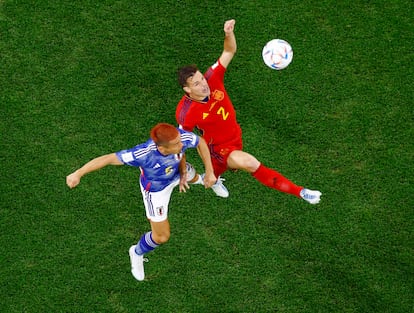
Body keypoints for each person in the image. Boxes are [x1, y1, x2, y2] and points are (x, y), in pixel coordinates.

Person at [175, 19, 321, 204]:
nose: (204, 84)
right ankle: (301, 192)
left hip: (235, 135)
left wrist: (229, 33)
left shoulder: (212, 78)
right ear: (187, 90)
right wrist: (183, 169)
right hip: (219, 149)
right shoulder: (186, 112)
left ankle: (212, 179)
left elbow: (229, 51)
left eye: (202, 78)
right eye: (197, 84)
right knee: (250, 163)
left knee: (214, 175)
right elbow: (180, 142)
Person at [66, 123, 216, 281]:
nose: (182, 144)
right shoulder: (142, 154)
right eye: (177, 144)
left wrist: (209, 172)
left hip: (178, 172)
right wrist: (78, 173)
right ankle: (137, 252)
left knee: (196, 177)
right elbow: (109, 158)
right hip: (157, 191)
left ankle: (209, 180)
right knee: (161, 237)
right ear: (162, 148)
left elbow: (200, 141)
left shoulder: (181, 138)